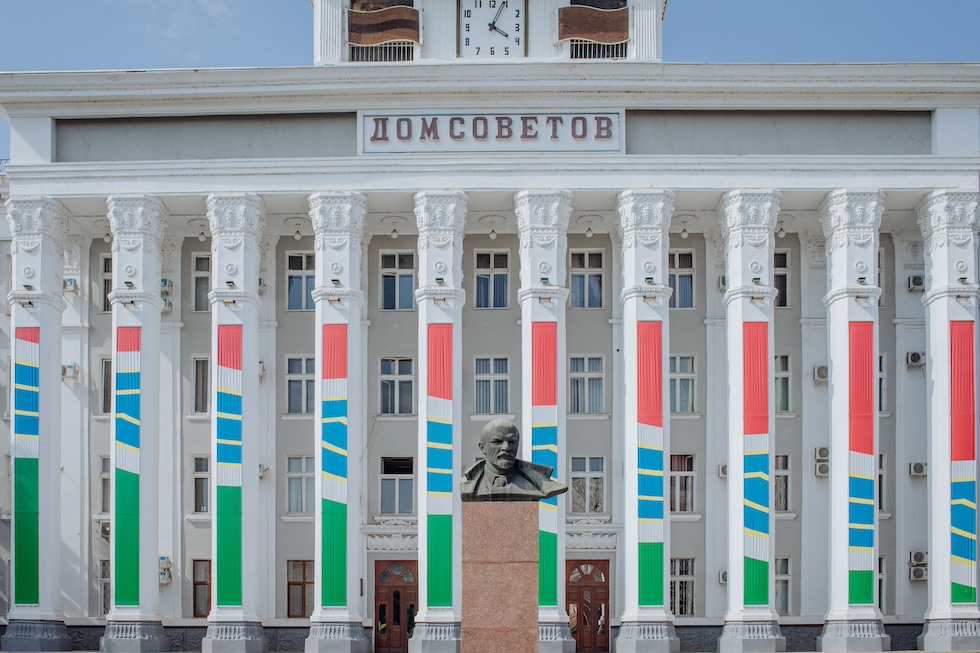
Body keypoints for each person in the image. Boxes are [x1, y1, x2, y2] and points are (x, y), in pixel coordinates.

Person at [460, 419, 567, 501]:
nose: (506, 447)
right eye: (497, 442)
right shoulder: (466, 484)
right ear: (482, 447)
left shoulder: (538, 484)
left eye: (512, 442)